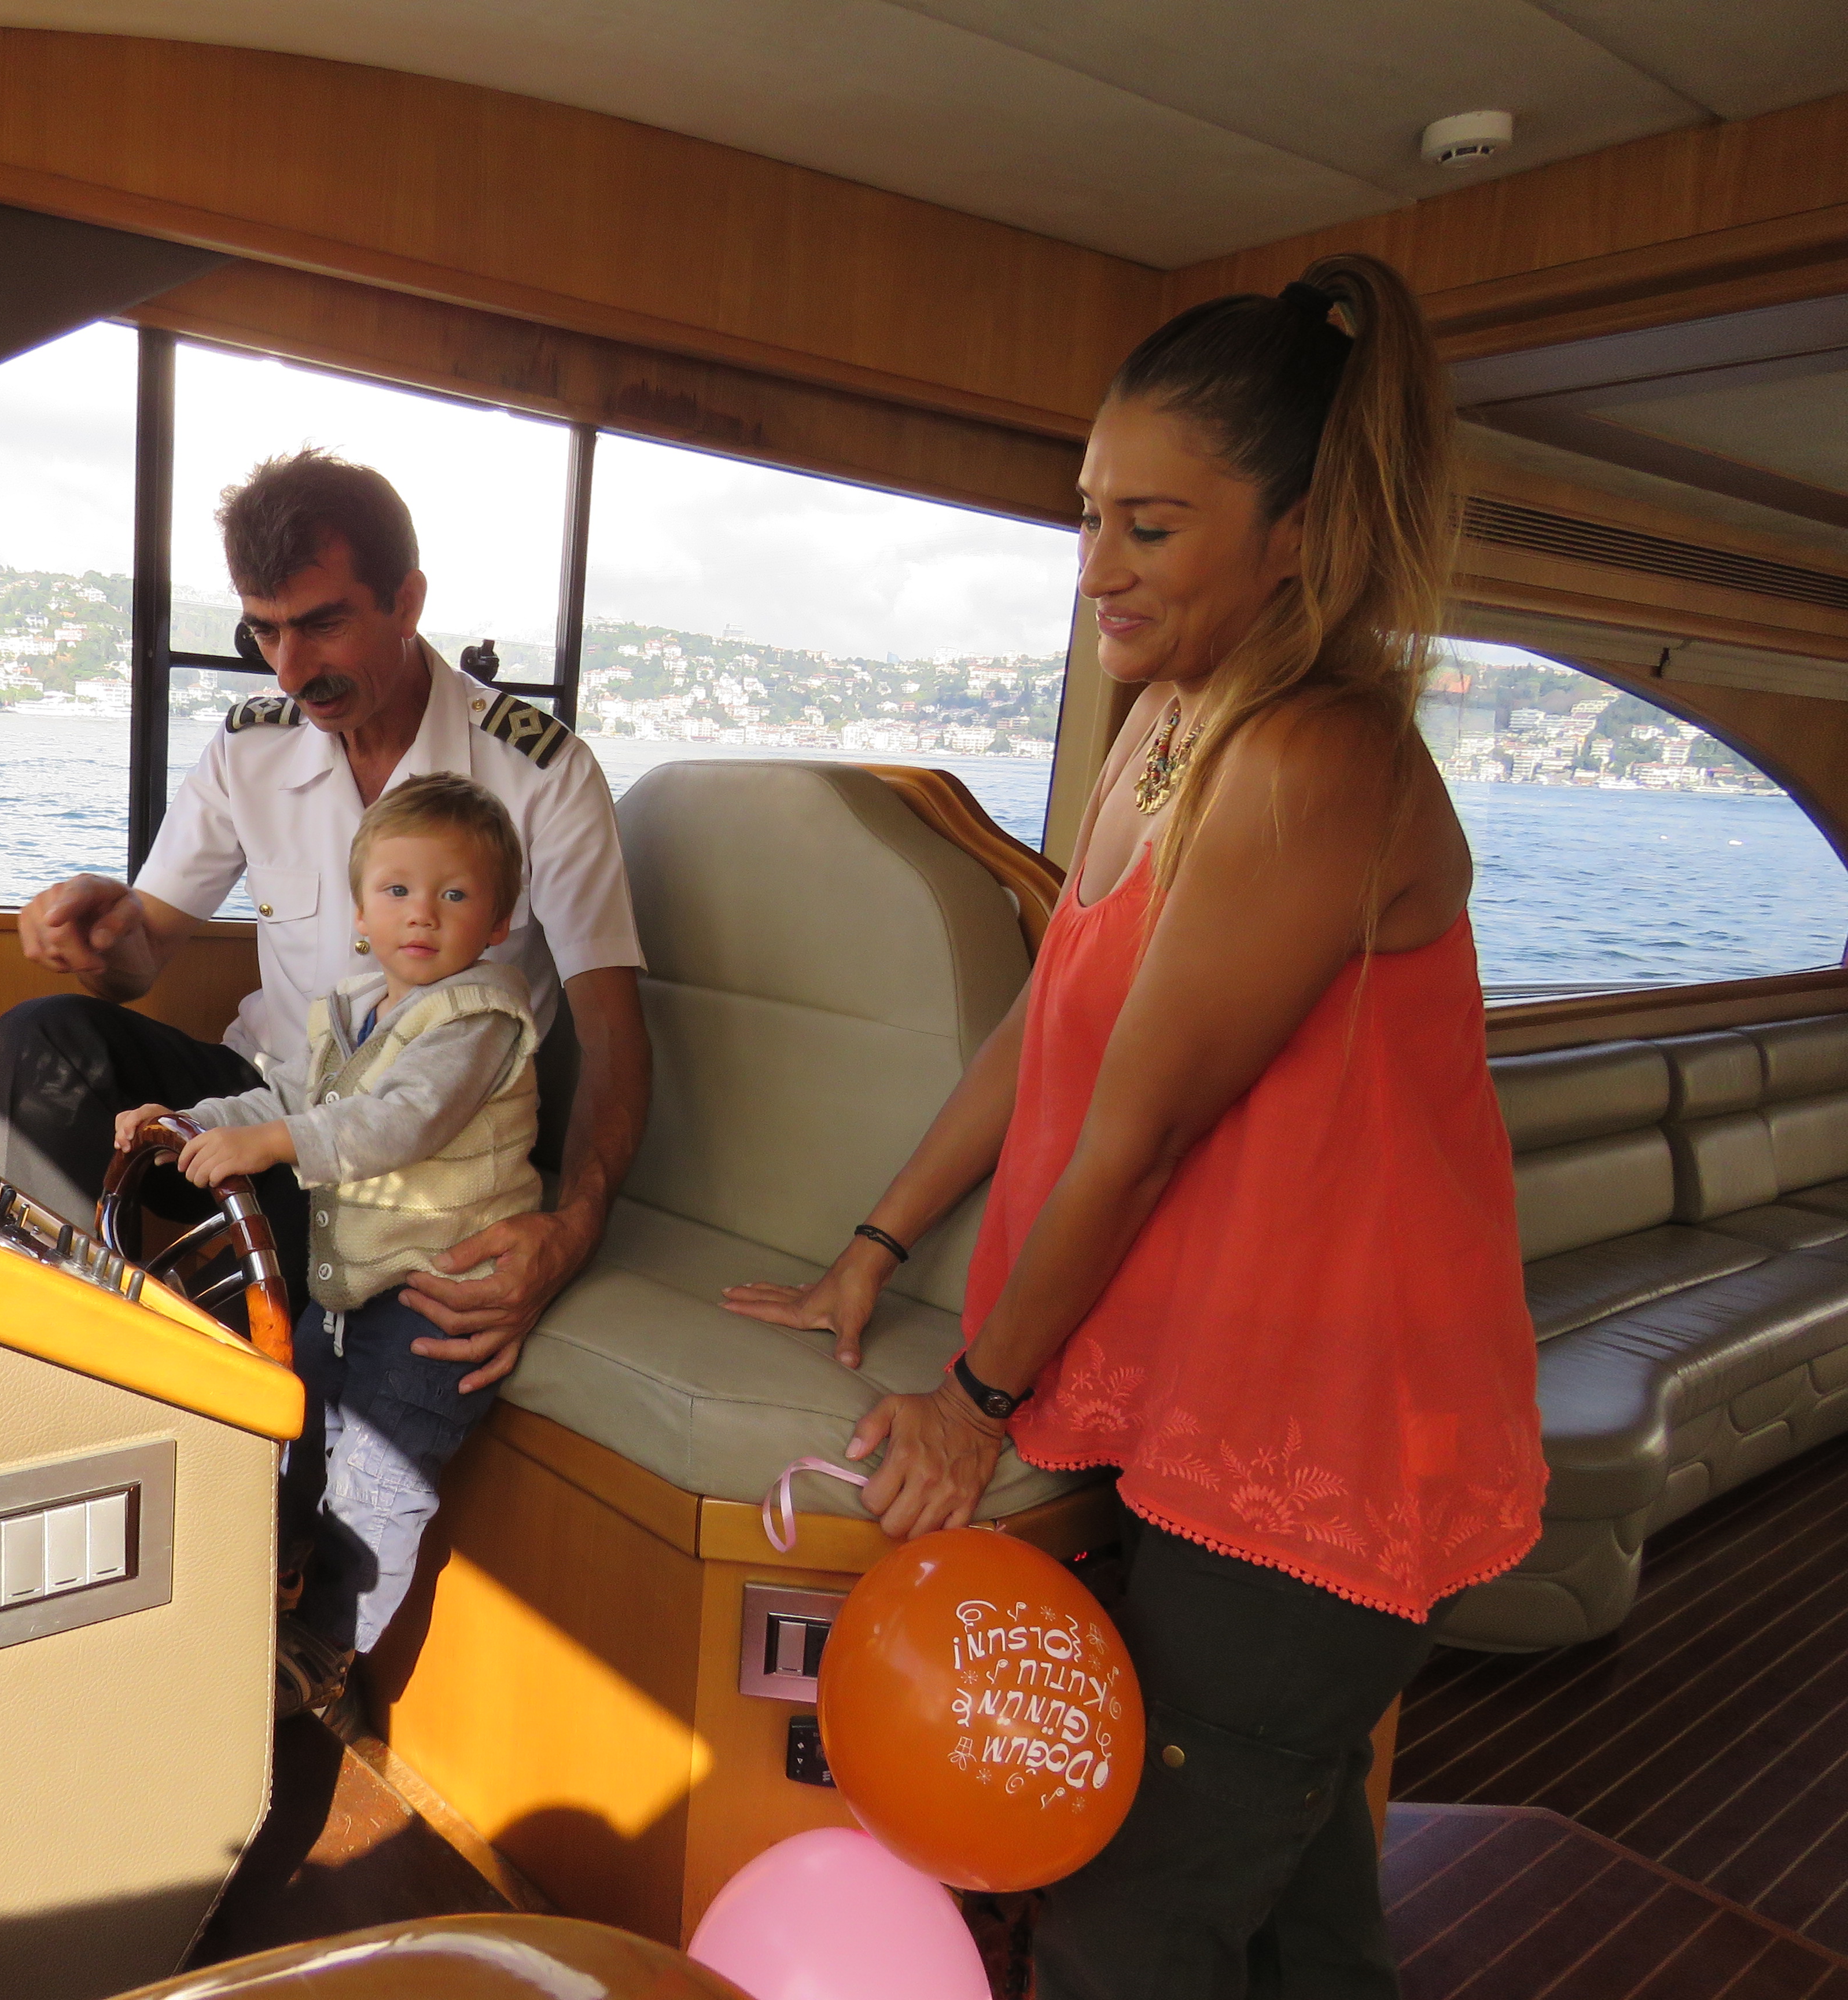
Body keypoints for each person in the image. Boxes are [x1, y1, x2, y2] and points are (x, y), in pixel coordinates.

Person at [722, 252, 1548, 1998]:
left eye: (1150, 528)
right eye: (1089, 514)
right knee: (1299, 1910)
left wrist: (972, 1407)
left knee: (1128, 1934)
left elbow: (1139, 1131)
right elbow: (1052, 1029)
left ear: (1299, 535)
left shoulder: (1314, 762)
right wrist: (875, 1242)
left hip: (1320, 1447)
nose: (1095, 565)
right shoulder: (1168, 723)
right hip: (1206, 1417)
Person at [0, 448, 649, 1398]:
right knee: (43, 1039)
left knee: (264, 1330)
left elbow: (614, 1032)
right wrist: (98, 939)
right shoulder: (251, 748)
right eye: (264, 631)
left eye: (322, 625)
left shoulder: (540, 773)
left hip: (416, 1153)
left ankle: (178, 1399)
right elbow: (142, 958)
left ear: (406, 602)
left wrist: (572, 1233)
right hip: (264, 1101)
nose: (292, 668)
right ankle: (58, 1343)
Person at [122, 773, 542, 1715]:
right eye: (398, 890)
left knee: (379, 1485)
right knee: (289, 1432)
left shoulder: (477, 1016)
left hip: (438, 1298)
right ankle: (254, 1595)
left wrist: (272, 1144)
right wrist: (190, 1122)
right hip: (351, 1287)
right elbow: (286, 1097)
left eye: (455, 895)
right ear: (360, 913)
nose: (422, 914)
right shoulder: (353, 1009)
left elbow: (400, 1122)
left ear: (500, 923)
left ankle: (320, 1652)